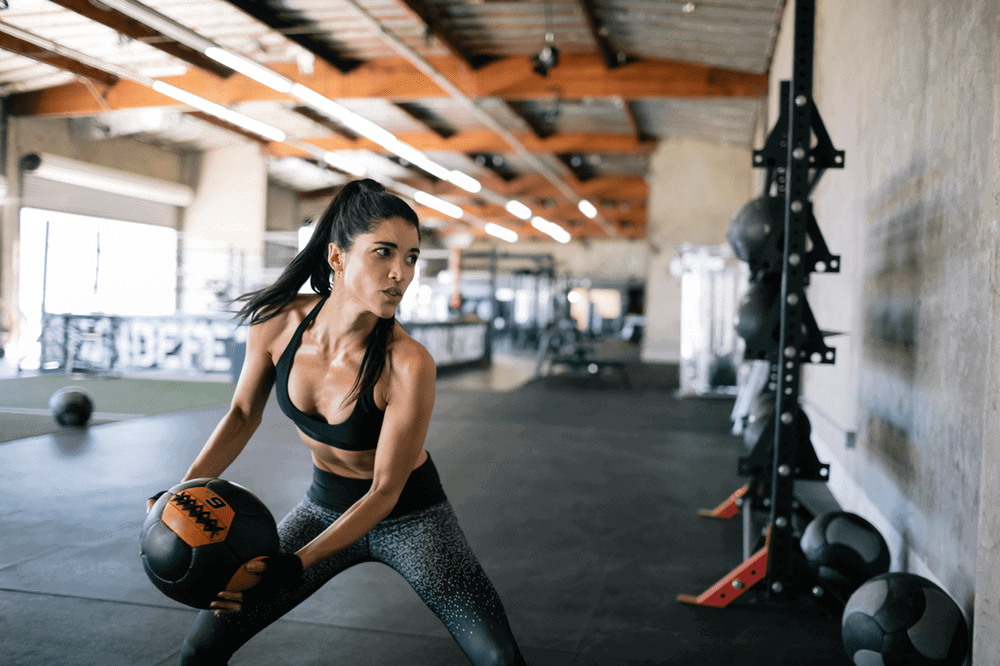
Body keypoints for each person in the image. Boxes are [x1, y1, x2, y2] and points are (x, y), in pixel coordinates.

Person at [148, 179, 528, 666]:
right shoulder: (277, 322)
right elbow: (242, 414)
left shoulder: (408, 363)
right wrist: (181, 498)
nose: (400, 274)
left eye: (411, 257)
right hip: (323, 508)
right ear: (337, 258)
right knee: (199, 650)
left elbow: (385, 492)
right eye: (384, 253)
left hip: (411, 518)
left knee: (499, 658)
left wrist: (294, 564)